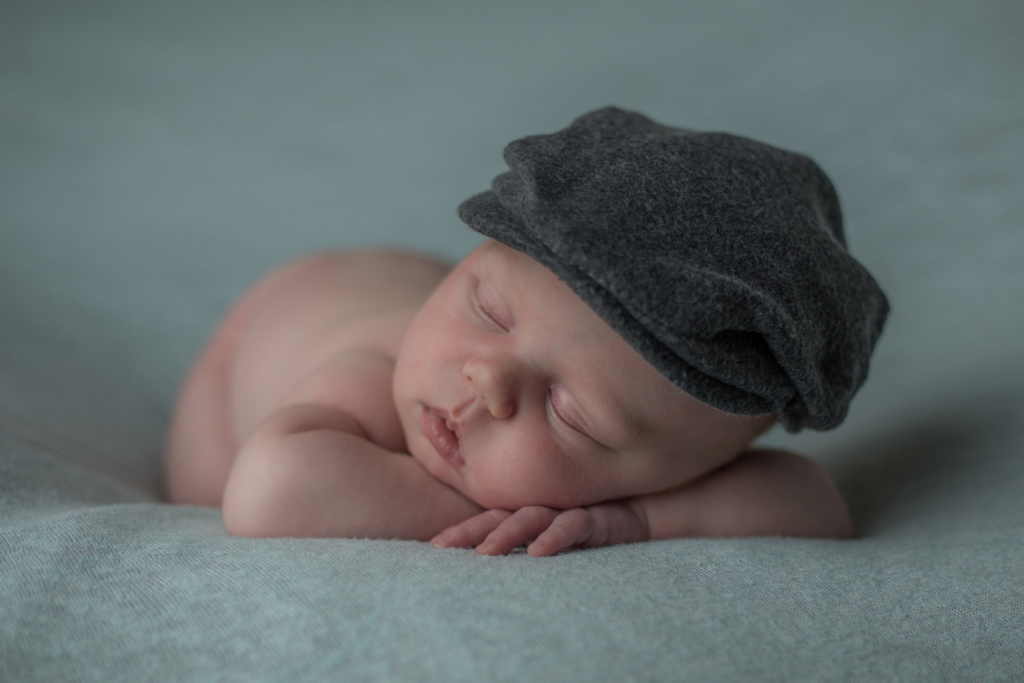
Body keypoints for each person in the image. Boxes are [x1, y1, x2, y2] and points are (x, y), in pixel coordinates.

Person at [164, 107, 889, 557]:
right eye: (486, 311)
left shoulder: (669, 454)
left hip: (403, 279)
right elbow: (270, 489)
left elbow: (815, 503)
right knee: (203, 490)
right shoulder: (373, 376)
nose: (487, 379)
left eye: (572, 415)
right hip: (260, 330)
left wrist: (630, 520)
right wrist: (518, 502)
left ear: (684, 470)